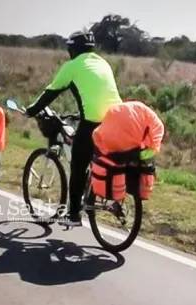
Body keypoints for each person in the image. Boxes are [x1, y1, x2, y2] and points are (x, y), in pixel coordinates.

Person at [25, 30, 123, 227]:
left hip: (93, 121)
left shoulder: (72, 66)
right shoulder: (103, 62)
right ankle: (107, 197)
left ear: (73, 49)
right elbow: (99, 92)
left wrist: (31, 110)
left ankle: (74, 215)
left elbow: (50, 93)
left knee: (78, 164)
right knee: (104, 161)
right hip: (117, 119)